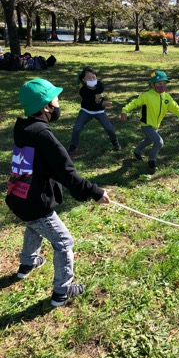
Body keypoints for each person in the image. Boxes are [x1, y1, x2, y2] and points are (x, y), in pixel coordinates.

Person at [6, 78, 110, 306]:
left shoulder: (23, 128)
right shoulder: (44, 136)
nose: (59, 103)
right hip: (35, 202)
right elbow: (68, 174)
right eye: (56, 99)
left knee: (33, 226)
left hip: (18, 197)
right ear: (46, 107)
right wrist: (95, 192)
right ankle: (62, 292)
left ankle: (27, 264)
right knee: (64, 242)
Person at [120, 70, 179, 170]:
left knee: (149, 139)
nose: (162, 86)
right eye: (159, 83)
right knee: (159, 142)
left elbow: (176, 108)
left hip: (156, 125)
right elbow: (134, 103)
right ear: (152, 84)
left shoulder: (166, 97)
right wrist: (125, 110)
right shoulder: (146, 96)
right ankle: (152, 160)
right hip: (146, 124)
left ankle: (137, 151)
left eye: (164, 83)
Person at [68, 66, 120, 156]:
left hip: (99, 112)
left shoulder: (99, 85)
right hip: (86, 110)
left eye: (94, 77)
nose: (92, 79)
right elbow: (90, 104)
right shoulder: (83, 91)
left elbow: (101, 88)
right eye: (89, 78)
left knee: (109, 128)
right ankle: (73, 146)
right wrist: (102, 104)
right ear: (84, 80)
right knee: (76, 128)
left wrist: (100, 103)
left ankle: (115, 142)